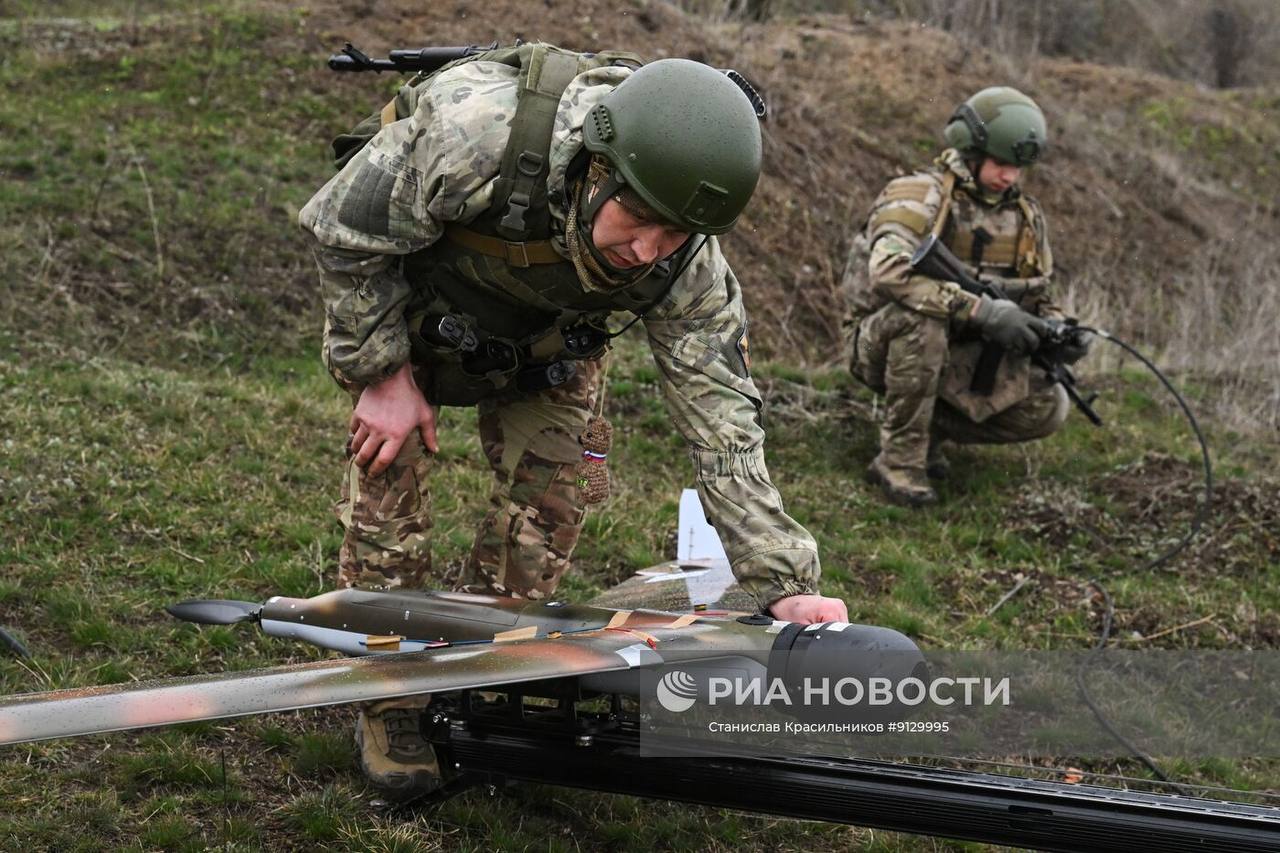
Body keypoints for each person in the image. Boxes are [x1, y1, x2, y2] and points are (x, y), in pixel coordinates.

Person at [299, 44, 848, 801]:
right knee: (388, 491)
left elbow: (723, 424)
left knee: (552, 509)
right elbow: (341, 225)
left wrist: (783, 580)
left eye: (673, 234)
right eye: (639, 218)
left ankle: (476, 672)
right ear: (597, 168)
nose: (647, 251)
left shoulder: (687, 266)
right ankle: (389, 694)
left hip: (549, 350)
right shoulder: (474, 135)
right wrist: (382, 372)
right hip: (415, 321)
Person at [843, 86, 1089, 507]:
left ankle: (928, 429)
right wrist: (979, 310)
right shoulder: (919, 196)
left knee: (1049, 405)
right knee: (922, 321)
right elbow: (888, 273)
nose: (1009, 176)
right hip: (881, 342)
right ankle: (899, 460)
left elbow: (1039, 292)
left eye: (1017, 167)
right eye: (1000, 164)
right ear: (972, 151)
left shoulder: (1025, 218)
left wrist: (1057, 330)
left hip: (960, 352)